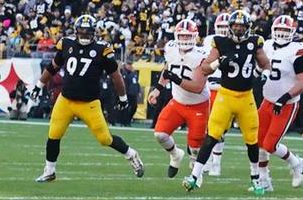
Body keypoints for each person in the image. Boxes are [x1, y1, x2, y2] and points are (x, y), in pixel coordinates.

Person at [33, 14, 143, 182]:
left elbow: (116, 76)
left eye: (87, 32)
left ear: (94, 33)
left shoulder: (102, 49)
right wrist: (38, 85)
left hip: (89, 103)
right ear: (76, 31)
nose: (84, 35)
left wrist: (122, 97)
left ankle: (131, 154)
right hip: (66, 100)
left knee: (105, 138)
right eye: (81, 32)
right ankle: (49, 171)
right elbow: (52, 67)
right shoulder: (67, 44)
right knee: (53, 134)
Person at [183, 9, 271, 194]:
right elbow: (205, 68)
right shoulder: (220, 42)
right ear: (230, 27)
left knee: (252, 140)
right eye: (236, 26)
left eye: (242, 26)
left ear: (248, 28)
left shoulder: (255, 42)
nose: (238, 29)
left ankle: (256, 179)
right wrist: (218, 63)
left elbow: (266, 64)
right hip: (226, 96)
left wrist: (263, 74)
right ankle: (194, 177)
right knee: (211, 136)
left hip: (246, 98)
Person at [149, 19, 210, 178]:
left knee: (195, 147)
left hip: (198, 105)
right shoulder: (170, 48)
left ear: (195, 36)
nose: (184, 39)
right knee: (160, 134)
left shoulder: (201, 55)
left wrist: (175, 79)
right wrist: (158, 88)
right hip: (177, 102)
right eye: (181, 36)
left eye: (187, 36)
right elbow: (168, 68)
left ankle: (195, 177)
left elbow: (197, 87)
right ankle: (176, 154)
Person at [257, 15, 303, 190]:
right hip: (267, 101)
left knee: (270, 145)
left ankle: (297, 164)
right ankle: (264, 181)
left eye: (285, 30)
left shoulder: (297, 51)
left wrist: (285, 98)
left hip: (287, 103)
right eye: (279, 29)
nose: (281, 33)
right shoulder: (265, 45)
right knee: (257, 142)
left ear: (292, 32)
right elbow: (260, 68)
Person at [202, 12, 230, 175]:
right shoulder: (209, 41)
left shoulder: (236, 43)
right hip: (208, 87)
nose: (223, 31)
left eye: (226, 28)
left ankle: (216, 162)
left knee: (219, 128)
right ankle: (206, 161)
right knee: (207, 128)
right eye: (220, 27)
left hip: (225, 89)